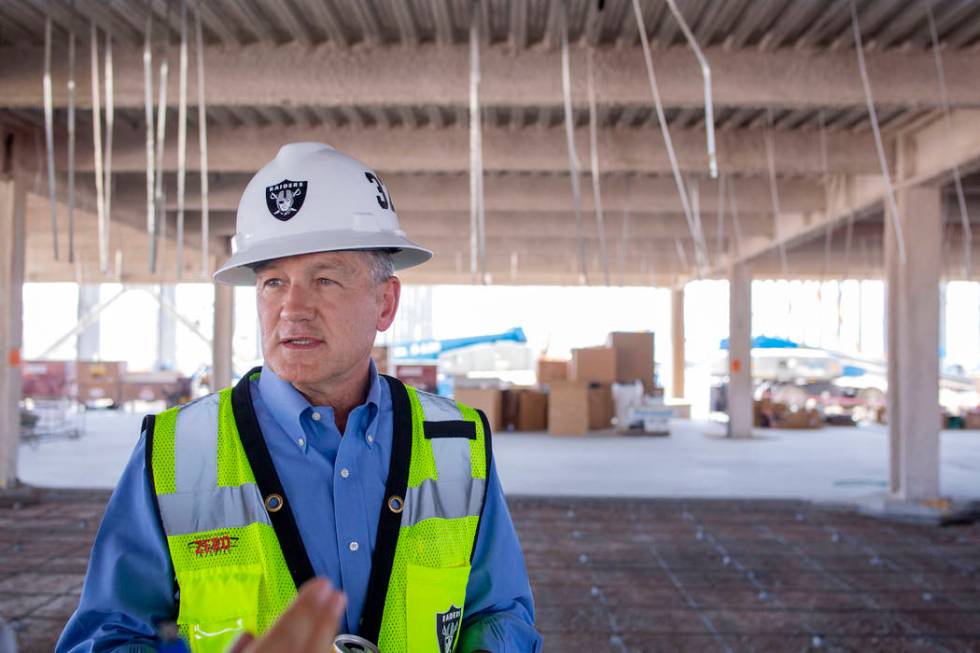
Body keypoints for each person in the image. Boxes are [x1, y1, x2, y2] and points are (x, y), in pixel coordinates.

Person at [57, 143, 542, 652]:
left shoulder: (454, 443)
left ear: (386, 302)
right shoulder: (177, 451)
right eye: (272, 282)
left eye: (325, 279)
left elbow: (496, 614)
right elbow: (109, 636)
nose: (293, 308)